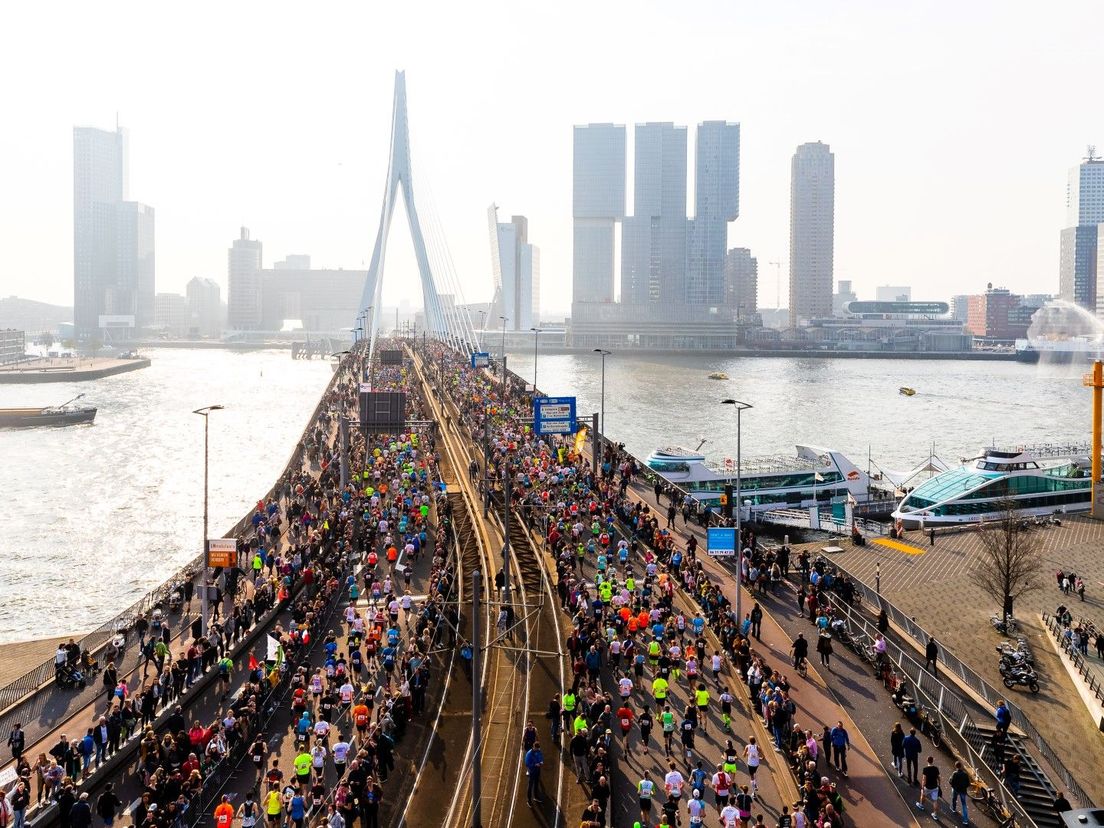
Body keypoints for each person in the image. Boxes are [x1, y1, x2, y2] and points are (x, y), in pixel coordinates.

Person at [524, 740, 544, 805]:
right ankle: (529, 800)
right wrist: (535, 765)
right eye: (537, 748)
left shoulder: (538, 751)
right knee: (530, 786)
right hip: (532, 771)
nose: (538, 750)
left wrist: (541, 762)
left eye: (538, 749)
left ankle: (535, 796)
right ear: (534, 747)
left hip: (537, 770)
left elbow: (541, 757)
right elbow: (527, 763)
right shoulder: (529, 754)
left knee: (536, 784)